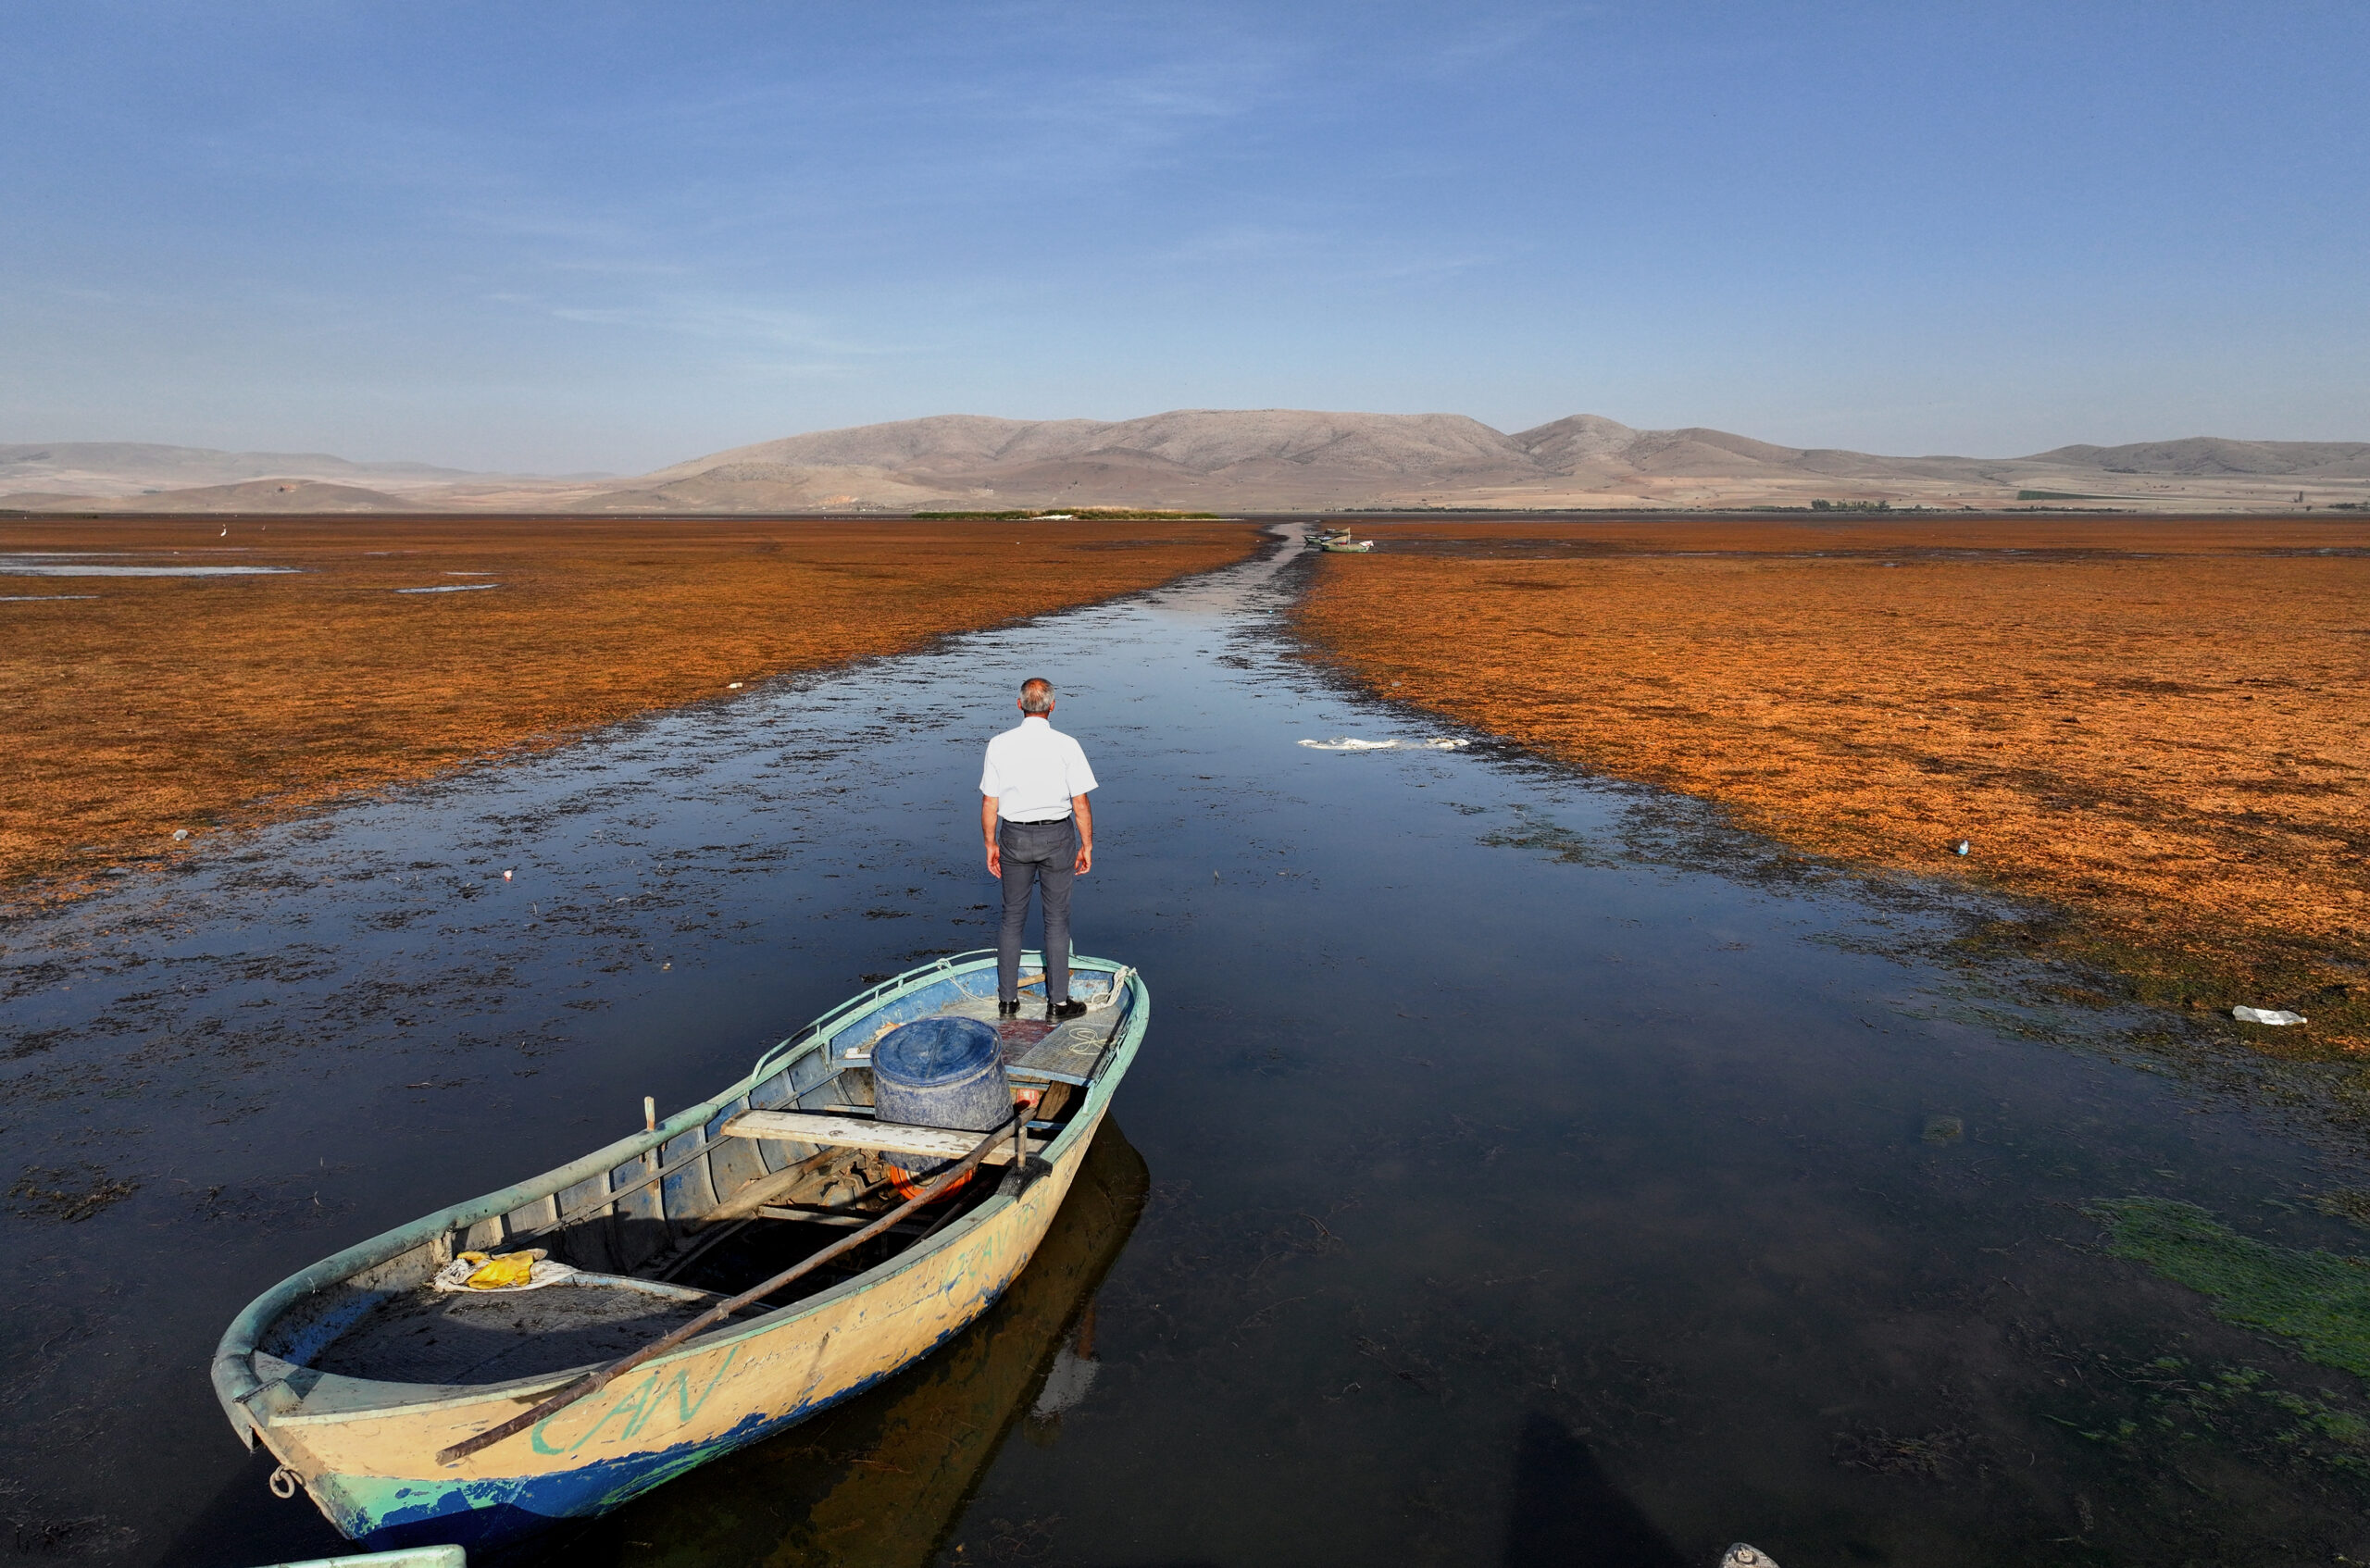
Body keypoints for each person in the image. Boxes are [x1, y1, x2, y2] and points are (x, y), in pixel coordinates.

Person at [979, 678, 1097, 1020]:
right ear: (1052, 706)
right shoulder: (1067, 745)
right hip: (1058, 837)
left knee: (1011, 918)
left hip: (1013, 837)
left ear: (1020, 705)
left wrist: (990, 843)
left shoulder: (999, 744)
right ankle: (1058, 1002)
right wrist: (1087, 844)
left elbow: (990, 802)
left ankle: (1007, 1001)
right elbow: (1081, 802)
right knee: (1057, 921)